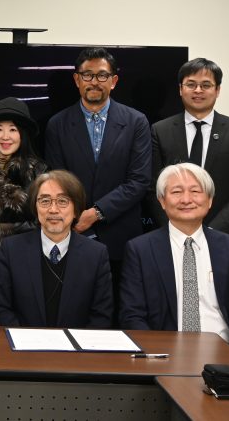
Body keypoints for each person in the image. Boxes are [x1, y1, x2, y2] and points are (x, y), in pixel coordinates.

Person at [120, 163, 229, 376]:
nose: (186, 199)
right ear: (162, 201)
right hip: (166, 357)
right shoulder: (140, 250)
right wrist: (156, 357)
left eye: (195, 191)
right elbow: (132, 315)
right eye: (176, 192)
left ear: (209, 200)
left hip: (227, 355)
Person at [44, 47, 153, 286]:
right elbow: (57, 180)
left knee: (120, 305)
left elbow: (139, 181)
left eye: (102, 75)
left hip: (121, 236)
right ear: (77, 80)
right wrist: (76, 217)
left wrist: (95, 213)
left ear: (114, 81)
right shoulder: (57, 124)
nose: (94, 81)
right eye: (87, 75)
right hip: (72, 233)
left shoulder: (136, 122)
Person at [0, 170, 113, 328]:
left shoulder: (96, 254)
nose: (53, 209)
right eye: (45, 201)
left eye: (62, 201)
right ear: (35, 208)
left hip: (77, 343)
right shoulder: (12, 250)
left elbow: (101, 316)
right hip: (23, 342)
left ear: (76, 210)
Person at [150, 58, 229, 237]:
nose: (198, 90)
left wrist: (213, 232)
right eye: (191, 84)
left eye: (206, 85)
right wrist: (175, 229)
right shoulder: (160, 130)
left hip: (224, 235)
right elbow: (153, 188)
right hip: (171, 235)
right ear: (180, 89)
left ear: (217, 90)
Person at [0, 97, 46, 321]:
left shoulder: (39, 171)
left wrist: (0, 233)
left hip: (22, 260)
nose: (5, 136)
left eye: (12, 129)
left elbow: (43, 221)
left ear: (23, 134)